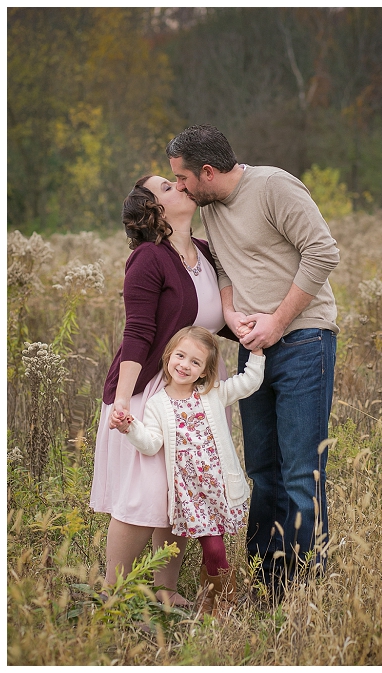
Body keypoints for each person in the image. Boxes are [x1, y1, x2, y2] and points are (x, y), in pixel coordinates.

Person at [166, 124, 340, 596]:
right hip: (254, 348)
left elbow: (323, 252)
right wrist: (229, 309)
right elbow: (223, 265)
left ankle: (307, 591)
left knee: (301, 471)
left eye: (181, 178)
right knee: (262, 471)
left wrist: (278, 321)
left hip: (304, 340)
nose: (179, 188)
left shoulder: (273, 186)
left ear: (206, 171)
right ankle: (268, 587)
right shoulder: (212, 209)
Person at [90, 175, 235, 607]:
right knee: (144, 494)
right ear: (155, 210)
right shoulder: (148, 259)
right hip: (151, 391)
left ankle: (164, 591)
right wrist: (123, 402)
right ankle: (113, 595)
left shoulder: (206, 252)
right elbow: (138, 331)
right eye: (167, 188)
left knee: (181, 490)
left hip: (197, 390)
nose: (179, 186)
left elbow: (216, 319)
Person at [119, 326, 264, 616]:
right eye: (180, 356)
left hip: (216, 490)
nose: (185, 365)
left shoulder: (212, 393)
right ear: (169, 355)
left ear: (204, 371)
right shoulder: (157, 404)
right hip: (189, 495)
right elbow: (151, 444)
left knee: (213, 550)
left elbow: (249, 382)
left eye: (195, 362)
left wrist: (257, 352)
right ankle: (217, 602)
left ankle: (219, 606)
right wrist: (130, 427)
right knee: (212, 549)